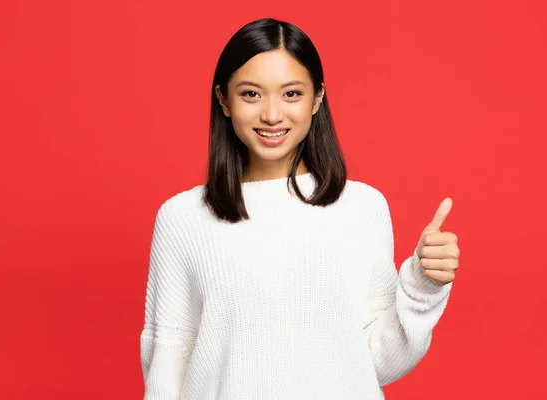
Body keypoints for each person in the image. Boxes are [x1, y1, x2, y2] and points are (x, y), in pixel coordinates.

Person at [140, 17, 460, 400]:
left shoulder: (362, 209)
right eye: (251, 94)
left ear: (317, 98)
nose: (272, 115)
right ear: (223, 100)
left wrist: (423, 287)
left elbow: (378, 362)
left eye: (291, 94)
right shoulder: (182, 219)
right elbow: (168, 362)